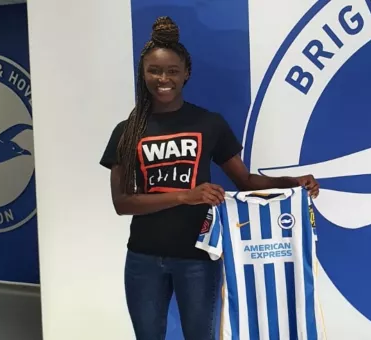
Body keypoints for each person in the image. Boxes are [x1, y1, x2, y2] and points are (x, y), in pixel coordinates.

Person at [99, 16, 319, 340]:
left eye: (172, 70)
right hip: (143, 259)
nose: (163, 78)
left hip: (199, 258)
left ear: (186, 73)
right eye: (154, 70)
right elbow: (122, 203)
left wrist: (292, 182)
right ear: (142, 73)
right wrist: (185, 195)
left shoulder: (208, 123)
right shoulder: (127, 131)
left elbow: (245, 182)